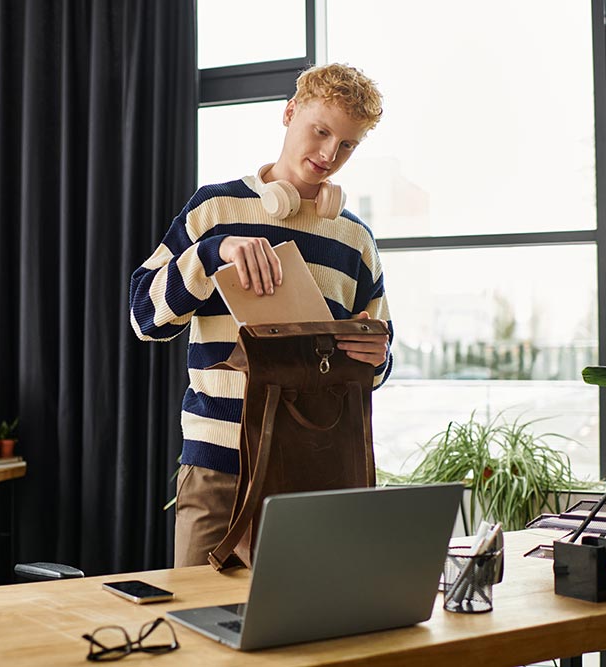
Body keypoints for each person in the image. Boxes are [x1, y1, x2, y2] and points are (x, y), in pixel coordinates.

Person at [129, 63, 393, 567]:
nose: (328, 155)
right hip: (217, 472)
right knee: (195, 632)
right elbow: (145, 316)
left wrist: (375, 356)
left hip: (311, 474)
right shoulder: (214, 210)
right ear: (290, 112)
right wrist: (210, 253)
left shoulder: (356, 240)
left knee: (303, 638)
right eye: (320, 131)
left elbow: (378, 363)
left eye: (346, 145)